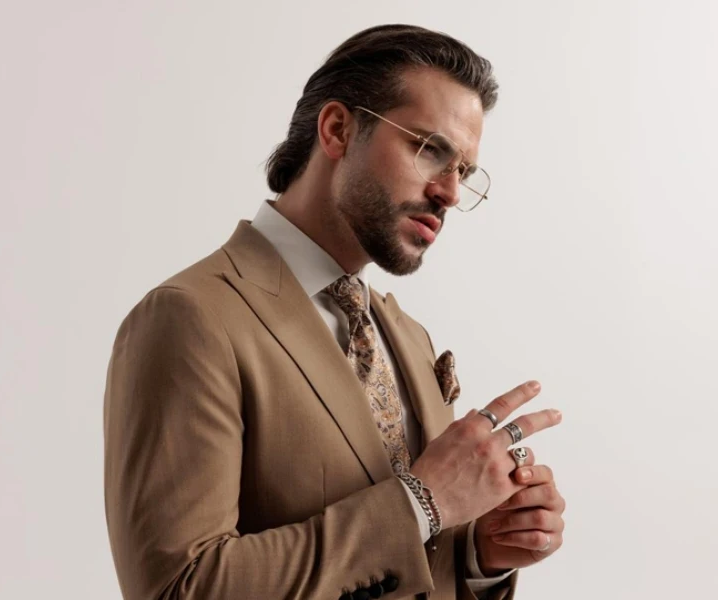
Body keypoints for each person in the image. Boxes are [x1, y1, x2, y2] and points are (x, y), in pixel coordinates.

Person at [103, 24, 566, 600]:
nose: (449, 192)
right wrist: (420, 502)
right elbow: (177, 588)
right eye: (430, 151)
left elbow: (409, 560)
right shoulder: (190, 319)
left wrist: (479, 555)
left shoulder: (408, 337)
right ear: (338, 129)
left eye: (464, 173)